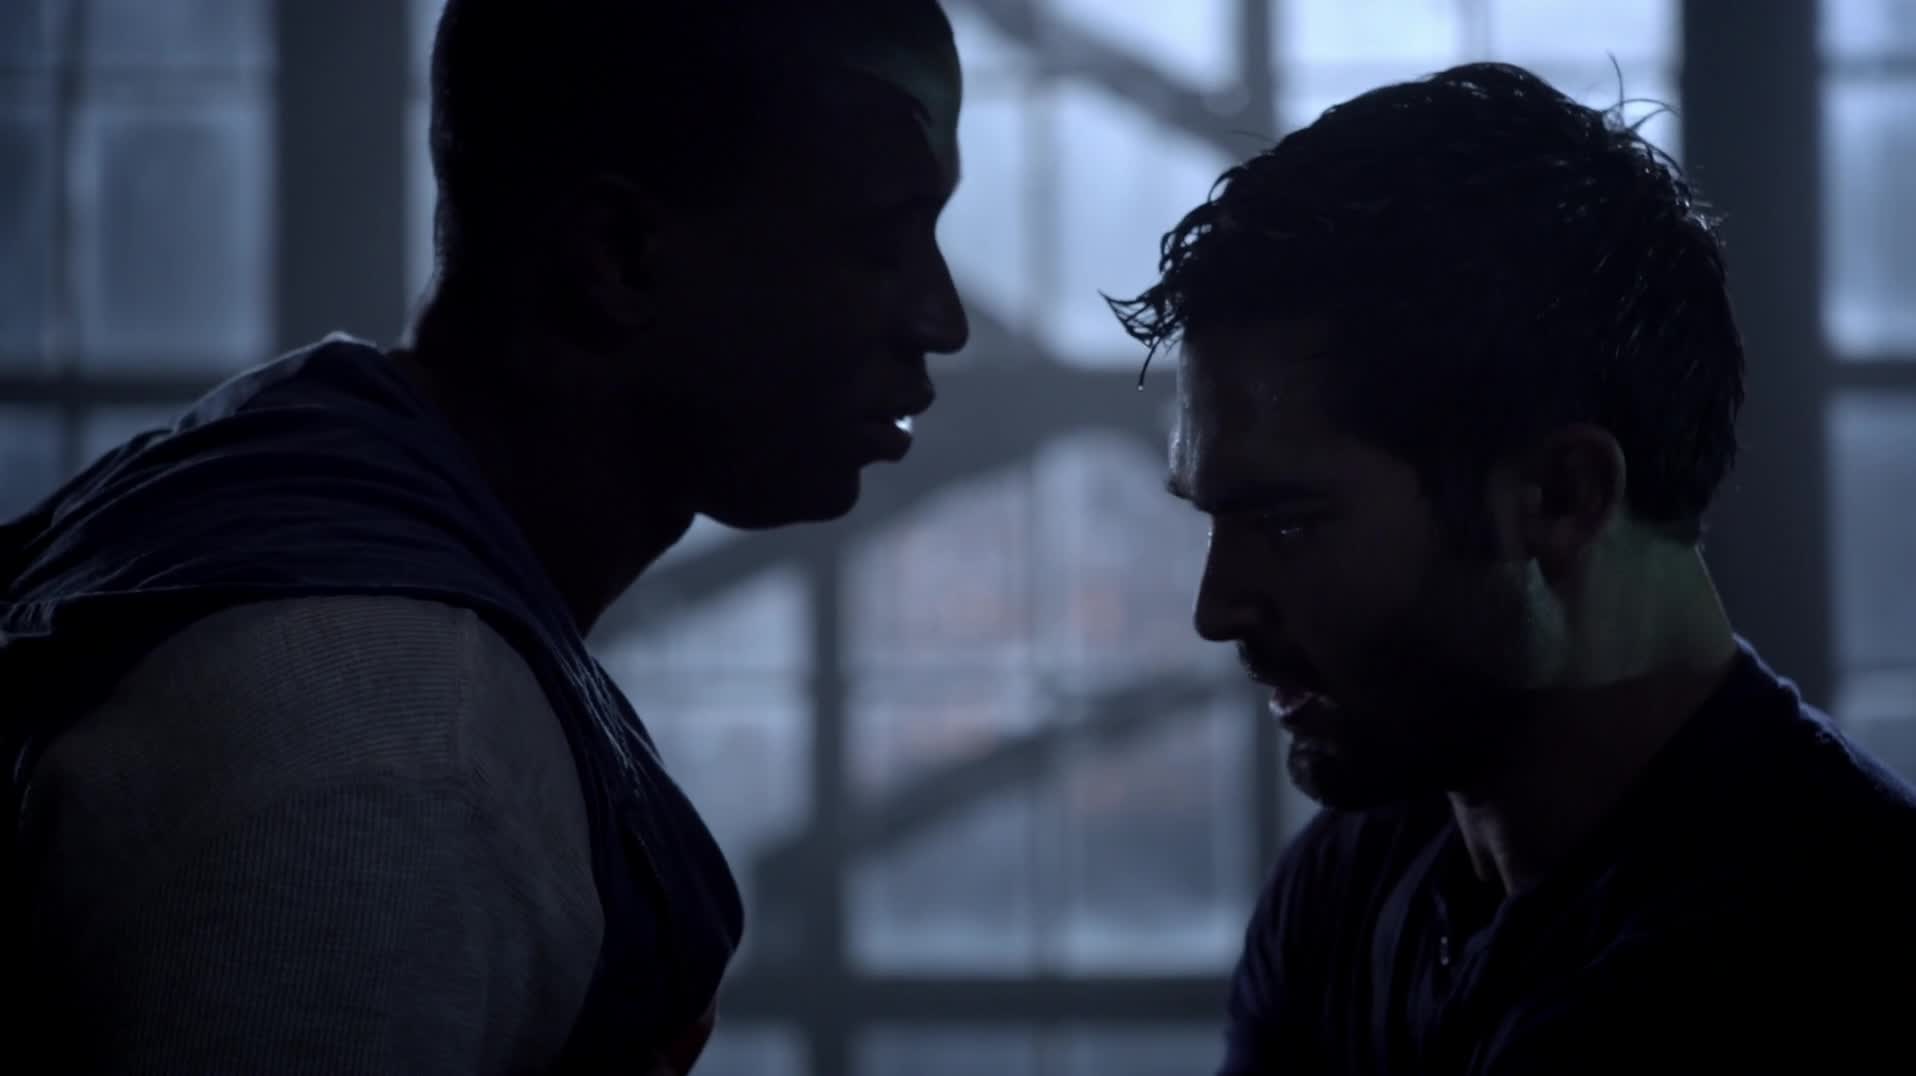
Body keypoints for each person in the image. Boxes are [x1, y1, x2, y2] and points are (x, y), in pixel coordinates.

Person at [0, 1, 967, 1072]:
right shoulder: (384, 755)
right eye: (879, 243)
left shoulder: (281, 492)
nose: (943, 319)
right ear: (620, 255)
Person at [1111, 62, 1916, 1075]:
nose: (1217, 608)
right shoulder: (1351, 884)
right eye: (1213, 518)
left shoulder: (1828, 957)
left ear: (1560, 496)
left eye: (1286, 523)